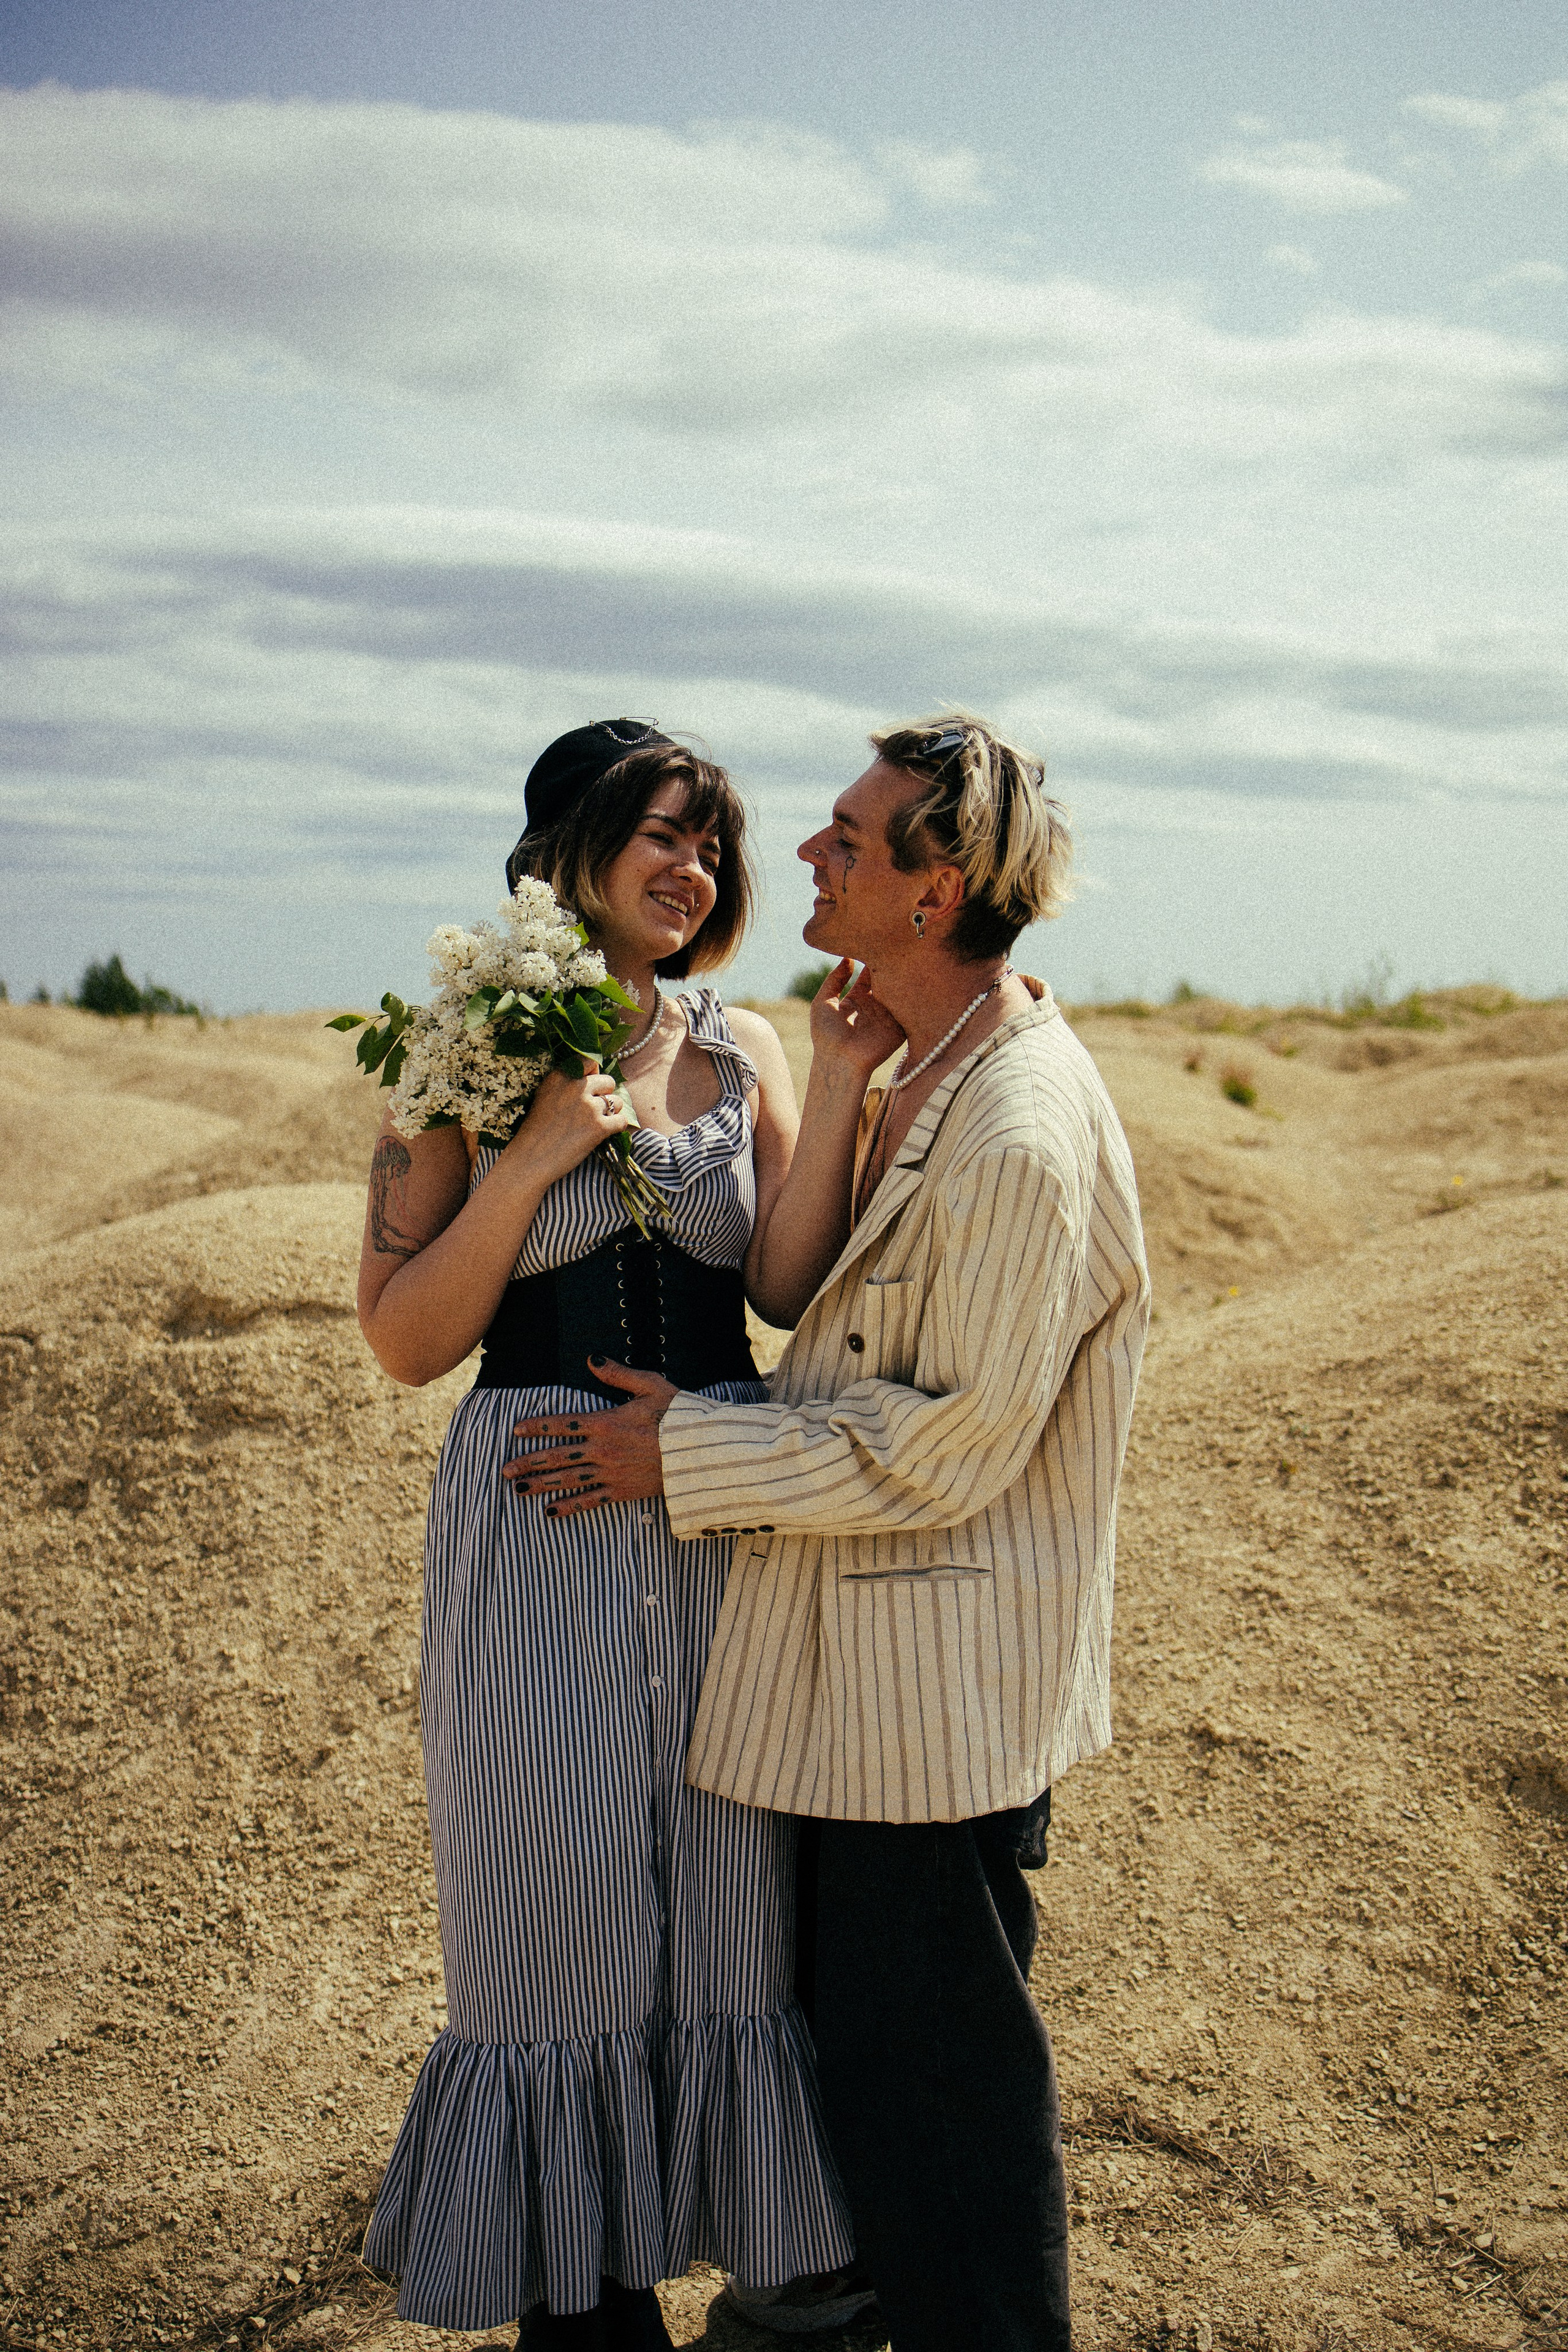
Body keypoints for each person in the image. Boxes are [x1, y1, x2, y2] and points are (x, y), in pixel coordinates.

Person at [506, 712, 1152, 2352]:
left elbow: (948, 1444)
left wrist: (688, 1454)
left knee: (955, 2138)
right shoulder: (930, 1067)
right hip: (874, 1696)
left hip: (937, 1709)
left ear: (936, 893)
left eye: (851, 841)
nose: (803, 851)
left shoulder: (1015, 1122)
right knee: (889, 2098)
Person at [357, 720, 889, 2348]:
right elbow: (401, 1333)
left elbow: (786, 1289)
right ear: (572, 848)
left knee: (727, 1913)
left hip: (714, 1511)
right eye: (663, 832)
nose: (696, 867)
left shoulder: (744, 1054)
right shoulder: (459, 1041)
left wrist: (849, 1072)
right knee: (559, 1912)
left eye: (714, 843)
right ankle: (580, 2315)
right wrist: (530, 1160)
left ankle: (734, 2263)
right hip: (531, 1530)